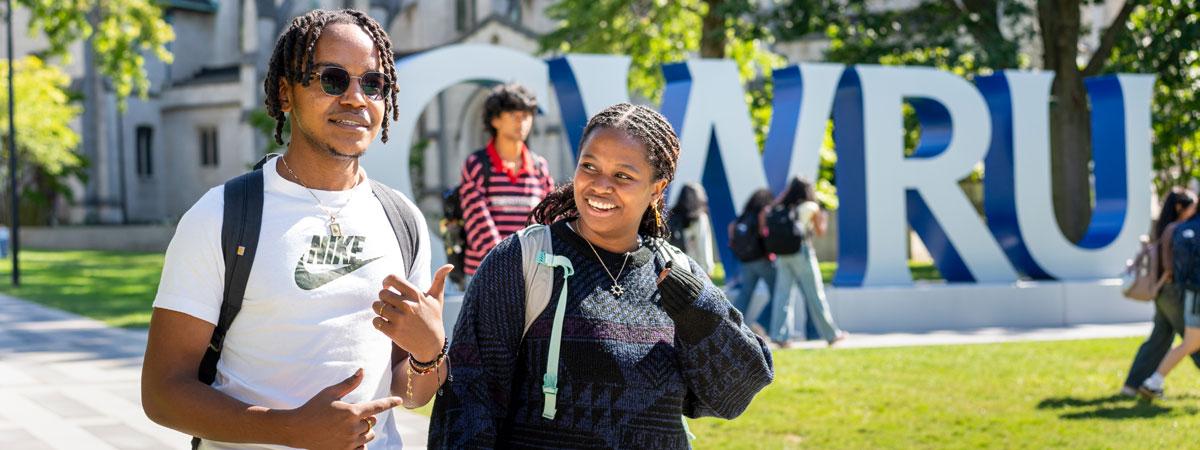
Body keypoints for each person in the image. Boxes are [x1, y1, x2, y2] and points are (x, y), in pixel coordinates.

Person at [141, 10, 451, 449]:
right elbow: (162, 393)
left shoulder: (403, 219)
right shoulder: (222, 216)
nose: (356, 98)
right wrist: (287, 429)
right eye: (333, 79)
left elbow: (406, 391)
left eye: (373, 83)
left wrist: (428, 353)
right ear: (286, 93)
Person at [428, 103, 774, 448]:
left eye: (623, 175)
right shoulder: (523, 261)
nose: (600, 186)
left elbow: (734, 395)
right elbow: (469, 396)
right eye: (589, 166)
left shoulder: (675, 272)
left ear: (657, 189)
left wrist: (698, 307)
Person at [458, 83, 555, 282]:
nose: (522, 122)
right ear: (495, 120)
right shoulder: (476, 165)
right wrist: (507, 263)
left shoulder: (539, 167)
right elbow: (479, 226)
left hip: (532, 273)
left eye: (527, 116)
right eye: (514, 115)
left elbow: (550, 220)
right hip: (485, 273)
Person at [1121, 188, 1200, 397]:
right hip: (1173, 290)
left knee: (1159, 340)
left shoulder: (1164, 228)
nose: (1194, 211)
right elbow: (1171, 266)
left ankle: (1132, 385)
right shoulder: (1180, 230)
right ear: (1179, 207)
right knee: (1193, 340)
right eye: (1192, 206)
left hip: (1162, 292)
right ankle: (1153, 382)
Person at [760, 177, 846, 347]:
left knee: (782, 296)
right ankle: (831, 334)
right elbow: (820, 231)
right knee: (815, 295)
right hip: (802, 253)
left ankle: (780, 335)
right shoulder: (810, 207)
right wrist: (823, 217)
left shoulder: (781, 207)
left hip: (783, 255)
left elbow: (766, 216)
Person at [728, 188, 777, 337]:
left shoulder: (743, 216)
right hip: (761, 260)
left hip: (745, 262)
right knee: (778, 292)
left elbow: (731, 232)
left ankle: (729, 325)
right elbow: (764, 234)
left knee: (745, 294)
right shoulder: (763, 213)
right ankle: (761, 324)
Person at [669, 182, 717, 276]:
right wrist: (708, 268)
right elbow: (704, 244)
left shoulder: (673, 214)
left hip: (676, 264)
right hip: (695, 267)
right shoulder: (699, 217)